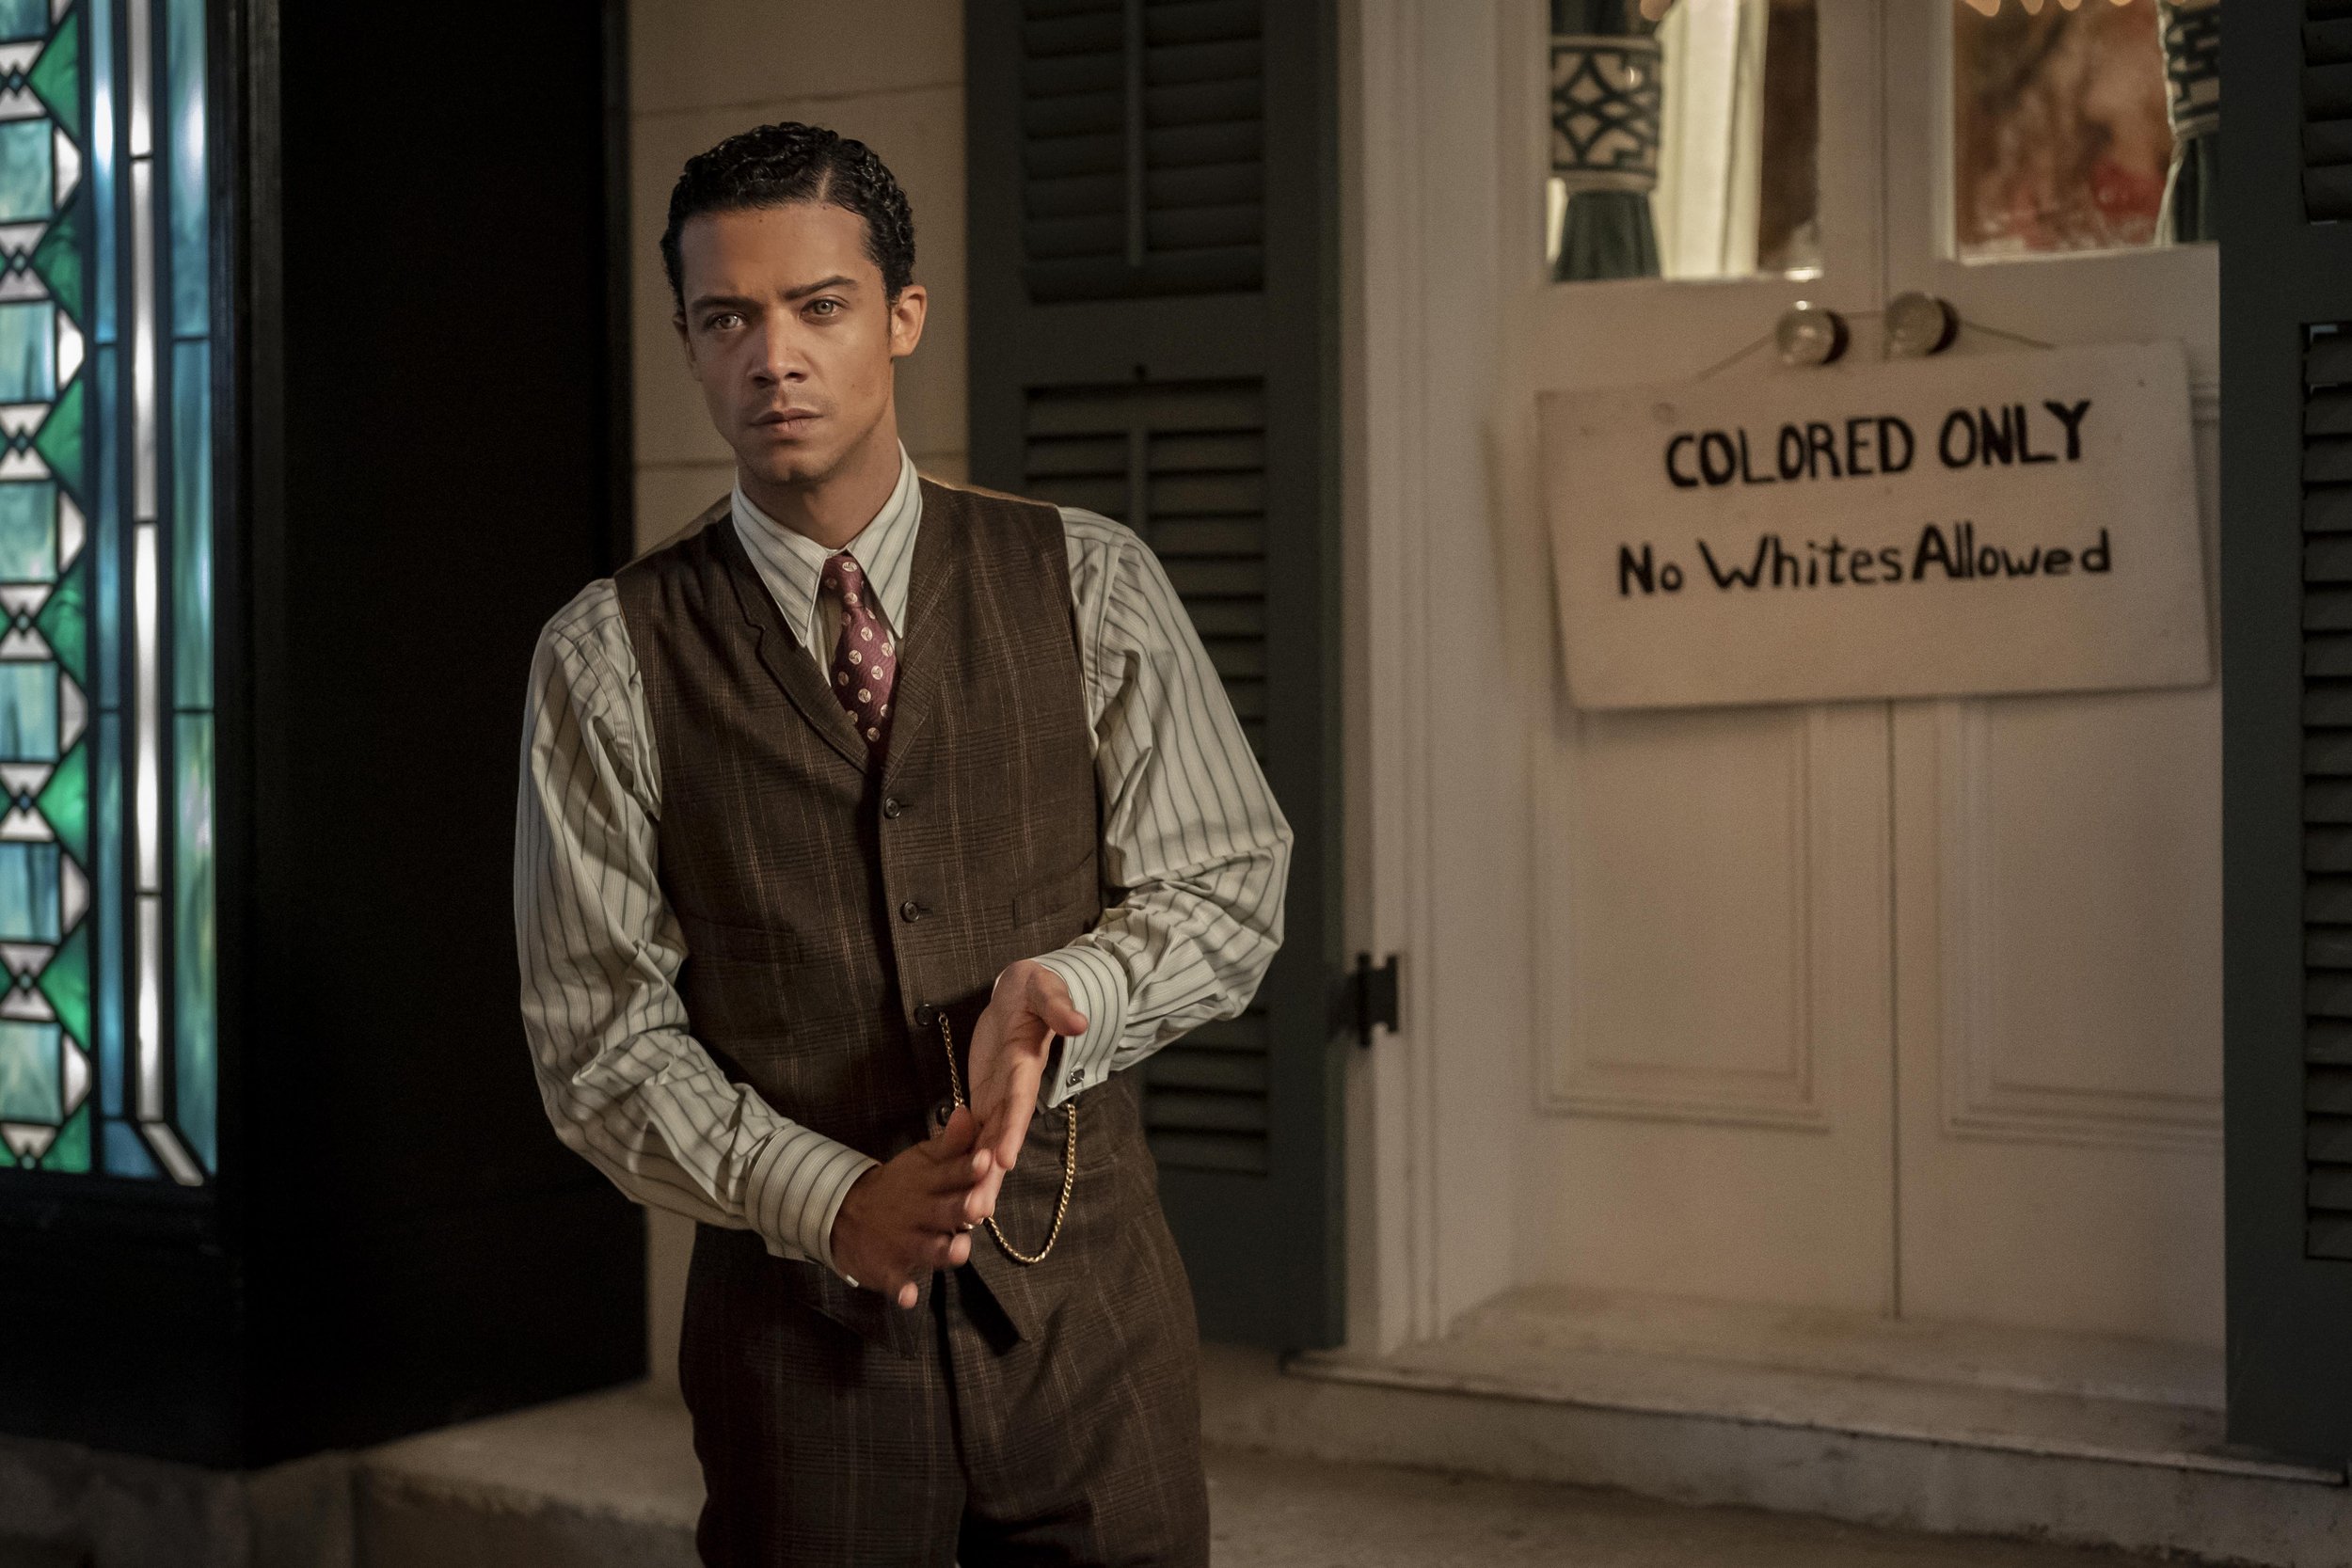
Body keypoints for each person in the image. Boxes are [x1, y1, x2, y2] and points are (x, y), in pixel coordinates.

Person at [513, 120, 1289, 1567]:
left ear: (902, 318)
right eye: (727, 317)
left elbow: (1231, 878)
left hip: (1092, 1319)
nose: (774, 357)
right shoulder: (605, 656)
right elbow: (596, 1035)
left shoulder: (1089, 581)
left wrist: (1068, 995)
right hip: (797, 1355)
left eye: (820, 307)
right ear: (688, 340)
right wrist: (832, 1203)